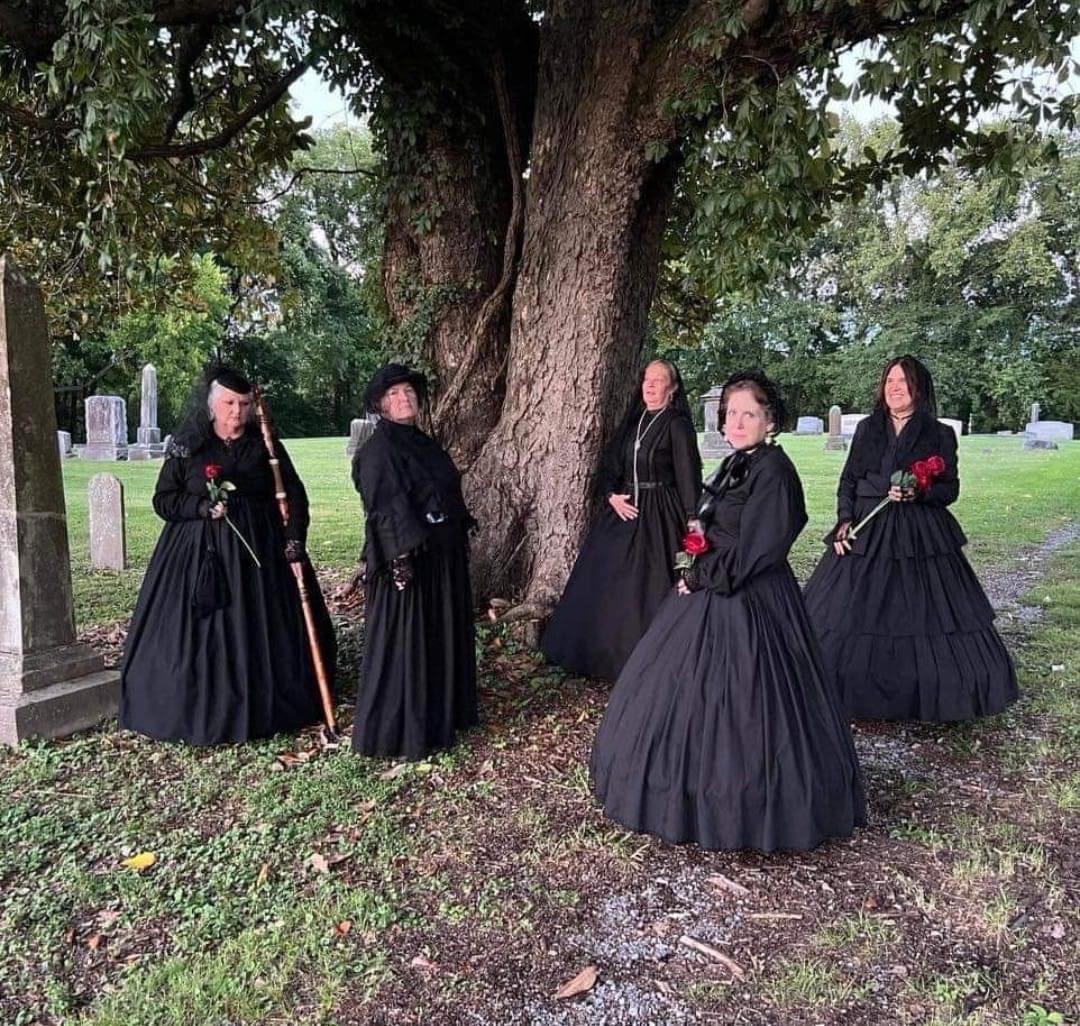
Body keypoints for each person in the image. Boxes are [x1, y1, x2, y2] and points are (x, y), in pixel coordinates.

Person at [590, 371, 865, 852]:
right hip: (714, 587)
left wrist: (702, 576)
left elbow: (761, 548)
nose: (736, 422)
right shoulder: (740, 462)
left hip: (751, 598)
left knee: (751, 701)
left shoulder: (775, 471)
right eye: (731, 413)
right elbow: (714, 519)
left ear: (770, 421)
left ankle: (747, 803)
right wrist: (699, 547)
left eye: (748, 414)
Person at [121, 367, 335, 744]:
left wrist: (293, 540)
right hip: (195, 553)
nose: (237, 412)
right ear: (212, 405)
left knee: (263, 630)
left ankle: (263, 702)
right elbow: (164, 499)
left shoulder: (265, 444)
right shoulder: (188, 444)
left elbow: (294, 494)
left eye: (244, 404)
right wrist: (201, 507)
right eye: (229, 403)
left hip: (261, 554)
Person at [803, 355, 1018, 721]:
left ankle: (920, 690)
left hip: (920, 534)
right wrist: (844, 520)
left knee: (922, 610)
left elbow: (950, 489)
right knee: (850, 611)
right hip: (868, 529)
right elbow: (849, 480)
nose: (895, 388)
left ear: (918, 388)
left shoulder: (939, 433)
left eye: (902, 381)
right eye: (889, 381)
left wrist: (919, 491)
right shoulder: (868, 429)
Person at [540, 359, 702, 680]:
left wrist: (692, 519)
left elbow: (687, 475)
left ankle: (651, 659)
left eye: (658, 380)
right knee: (604, 576)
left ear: (672, 388)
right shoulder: (634, 422)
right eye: (646, 379)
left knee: (652, 584)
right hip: (624, 509)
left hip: (661, 513)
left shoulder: (677, 425)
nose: (650, 385)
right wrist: (611, 495)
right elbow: (610, 464)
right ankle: (602, 653)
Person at [351, 364, 478, 759]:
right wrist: (400, 556)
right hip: (407, 559)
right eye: (394, 394)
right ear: (381, 405)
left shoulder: (423, 442)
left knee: (437, 634)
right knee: (408, 640)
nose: (403, 398)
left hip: (439, 554)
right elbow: (384, 507)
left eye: (408, 391)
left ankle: (441, 714)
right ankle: (405, 728)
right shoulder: (379, 450)